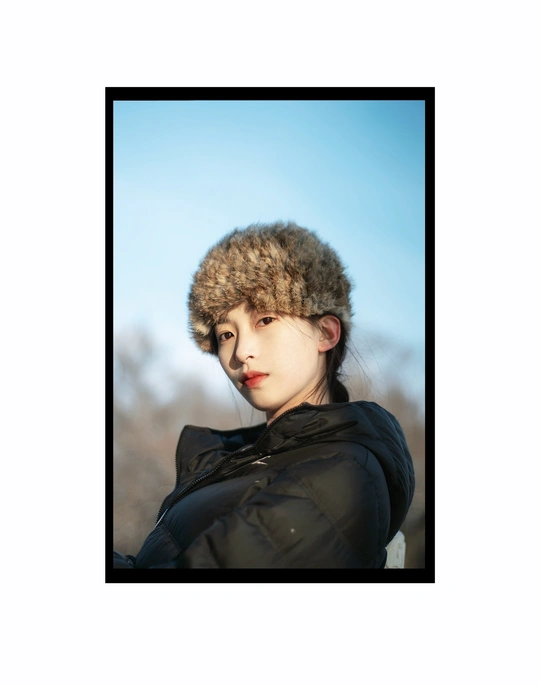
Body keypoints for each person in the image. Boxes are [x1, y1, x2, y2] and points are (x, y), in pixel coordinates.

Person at [113, 221, 415, 569]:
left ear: (325, 333)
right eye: (226, 335)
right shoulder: (241, 458)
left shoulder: (343, 473)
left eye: (265, 320)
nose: (241, 352)